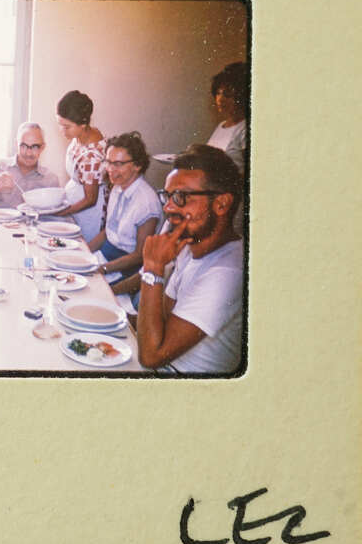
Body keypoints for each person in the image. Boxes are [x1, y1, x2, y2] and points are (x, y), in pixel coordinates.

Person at [135, 144, 244, 374]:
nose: (168, 206)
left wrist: (152, 268)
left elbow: (151, 355)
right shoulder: (189, 248)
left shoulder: (228, 272)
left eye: (181, 196)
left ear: (222, 203)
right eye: (168, 195)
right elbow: (162, 320)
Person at [87, 132, 162, 283]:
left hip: (125, 269)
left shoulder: (147, 203)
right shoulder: (118, 187)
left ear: (137, 165)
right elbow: (108, 232)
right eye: (108, 162)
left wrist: (102, 269)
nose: (111, 169)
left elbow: (139, 255)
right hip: (105, 256)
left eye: (119, 164)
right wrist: (84, 253)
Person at [0, 122, 59, 208]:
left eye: (35, 147)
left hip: (31, 227)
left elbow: (56, 213)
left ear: (42, 147)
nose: (28, 153)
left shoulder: (50, 179)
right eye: (23, 146)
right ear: (16, 144)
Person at [55, 90, 108, 241]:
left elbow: (91, 199)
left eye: (67, 127)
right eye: (60, 124)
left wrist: (64, 211)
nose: (62, 131)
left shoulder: (92, 156)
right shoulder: (81, 134)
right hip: (73, 204)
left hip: (88, 213)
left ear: (83, 124)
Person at [207, 62, 247, 173]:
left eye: (227, 94)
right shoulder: (221, 125)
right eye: (218, 93)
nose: (220, 99)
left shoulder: (245, 128)